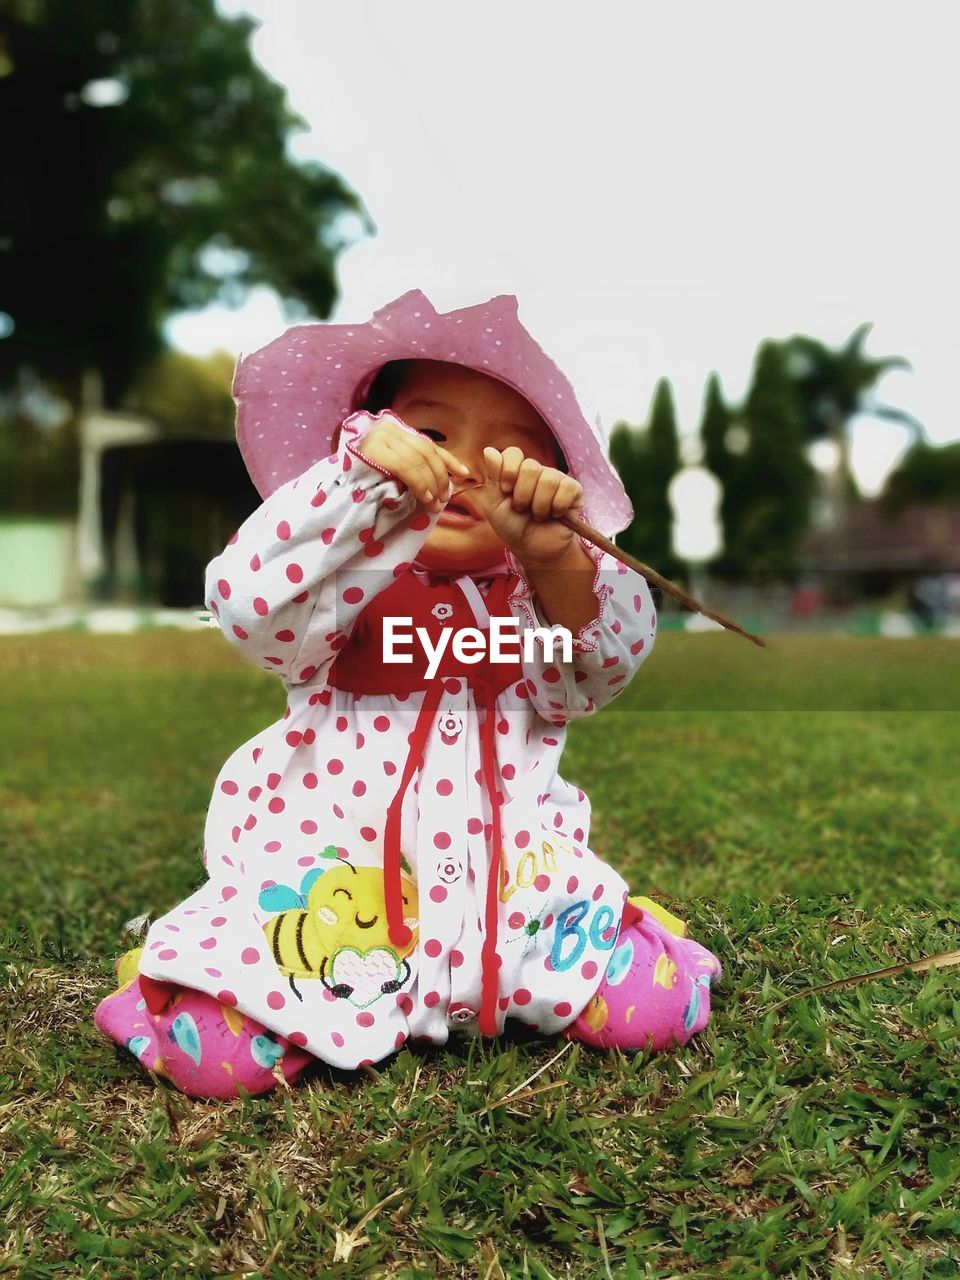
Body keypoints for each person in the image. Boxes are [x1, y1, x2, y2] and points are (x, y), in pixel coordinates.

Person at [93, 291, 722, 1099]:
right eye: (429, 434)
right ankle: (179, 967)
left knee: (659, 1009)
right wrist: (363, 494)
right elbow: (250, 608)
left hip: (515, 897)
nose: (463, 466)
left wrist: (553, 557)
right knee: (215, 1060)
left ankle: (614, 931)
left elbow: (596, 671)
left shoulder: (540, 596)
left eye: (512, 453)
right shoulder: (338, 577)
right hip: (343, 894)